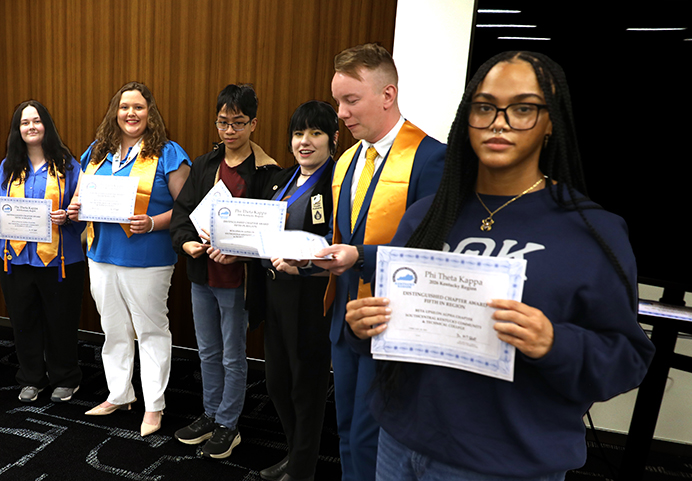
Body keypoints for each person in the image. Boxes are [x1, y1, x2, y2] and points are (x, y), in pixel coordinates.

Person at [345, 51, 655, 480]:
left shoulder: (591, 231)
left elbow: (627, 360)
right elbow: (386, 338)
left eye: (523, 109)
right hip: (400, 445)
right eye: (485, 107)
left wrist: (552, 343)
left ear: (551, 123)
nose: (499, 121)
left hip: (504, 463)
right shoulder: (427, 216)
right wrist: (364, 328)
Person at [312, 44, 446, 481]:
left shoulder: (431, 159)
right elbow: (343, 236)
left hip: (394, 321)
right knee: (347, 428)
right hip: (345, 317)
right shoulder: (348, 159)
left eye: (351, 100)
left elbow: (435, 254)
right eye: (338, 101)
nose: (341, 113)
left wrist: (360, 258)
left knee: (379, 436)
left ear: (387, 95)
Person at [67, 81, 190, 437]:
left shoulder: (169, 153)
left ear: (150, 112)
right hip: (101, 254)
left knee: (150, 330)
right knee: (113, 329)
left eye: (138, 107)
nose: (130, 114)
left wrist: (152, 222)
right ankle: (120, 393)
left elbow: (187, 209)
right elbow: (79, 198)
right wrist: (76, 208)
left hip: (148, 258)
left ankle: (154, 405)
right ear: (115, 112)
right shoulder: (97, 151)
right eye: (124, 108)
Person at [169, 84, 279, 459]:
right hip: (202, 274)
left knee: (233, 356)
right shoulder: (204, 165)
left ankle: (228, 425)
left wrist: (240, 255)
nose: (229, 130)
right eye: (222, 122)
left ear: (253, 124)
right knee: (207, 351)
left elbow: (269, 231)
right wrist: (187, 244)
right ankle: (211, 413)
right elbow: (182, 215)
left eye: (238, 123)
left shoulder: (266, 172)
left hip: (237, 280)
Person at [258, 101, 338, 481]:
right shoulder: (282, 180)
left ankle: (303, 468)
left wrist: (303, 259)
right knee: (277, 381)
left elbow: (336, 238)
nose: (304, 142)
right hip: (276, 291)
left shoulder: (336, 182)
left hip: (310, 296)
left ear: (333, 139)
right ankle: (294, 453)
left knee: (306, 385)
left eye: (315, 133)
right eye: (298, 133)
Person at [0, 100, 85, 404]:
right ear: (18, 130)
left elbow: (83, 209)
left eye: (36, 121)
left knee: (61, 321)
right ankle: (31, 377)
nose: (31, 127)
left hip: (60, 260)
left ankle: (65, 378)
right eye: (24, 123)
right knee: (24, 321)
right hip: (15, 259)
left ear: (47, 125)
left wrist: (68, 215)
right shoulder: (9, 166)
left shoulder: (68, 164)